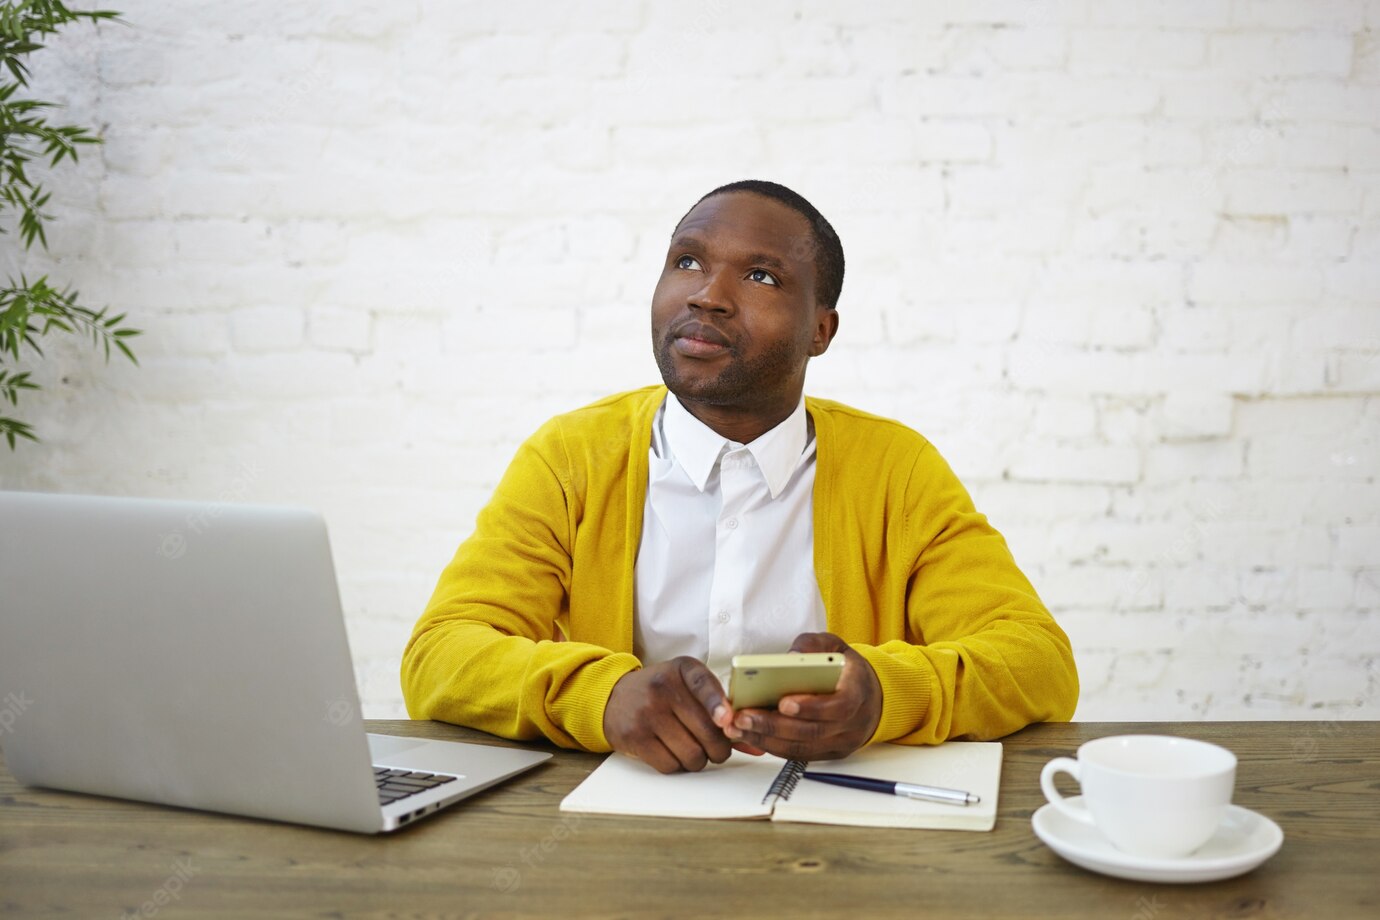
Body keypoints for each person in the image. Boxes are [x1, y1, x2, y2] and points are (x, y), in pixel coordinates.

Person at [402, 179, 1078, 774]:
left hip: (840, 838)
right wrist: (600, 697)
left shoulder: (897, 470)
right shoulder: (570, 458)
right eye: (687, 261)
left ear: (821, 329)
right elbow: (441, 654)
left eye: (761, 277)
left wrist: (882, 693)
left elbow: (1036, 663)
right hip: (615, 836)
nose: (708, 296)